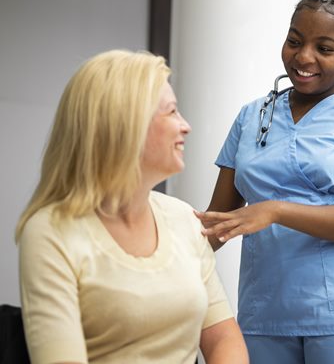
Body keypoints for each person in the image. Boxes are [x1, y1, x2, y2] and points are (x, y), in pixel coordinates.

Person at [195, 0, 334, 363]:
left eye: (324, 48)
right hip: (265, 314)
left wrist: (275, 210)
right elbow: (218, 221)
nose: (304, 57)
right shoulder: (250, 117)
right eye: (294, 41)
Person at [15, 50, 249, 364]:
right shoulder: (50, 232)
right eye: (171, 112)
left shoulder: (184, 219)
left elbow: (223, 338)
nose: (186, 126)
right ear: (125, 125)